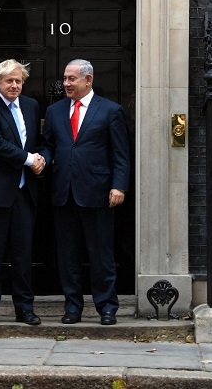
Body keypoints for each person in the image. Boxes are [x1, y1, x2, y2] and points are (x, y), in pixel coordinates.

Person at [40, 59, 130, 326]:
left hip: (98, 193)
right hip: (63, 192)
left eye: (71, 79)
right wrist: (41, 159)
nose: (66, 83)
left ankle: (106, 307)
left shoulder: (110, 110)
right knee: (67, 254)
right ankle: (72, 307)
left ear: (88, 80)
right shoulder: (55, 111)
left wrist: (119, 185)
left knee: (101, 253)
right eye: (65, 79)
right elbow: (48, 145)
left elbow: (120, 154)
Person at [0, 59, 46, 326]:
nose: (14, 85)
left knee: (23, 254)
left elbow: (39, 143)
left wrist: (42, 159)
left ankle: (25, 308)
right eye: (9, 81)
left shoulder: (31, 105)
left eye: (18, 81)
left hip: (24, 192)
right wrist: (29, 159)